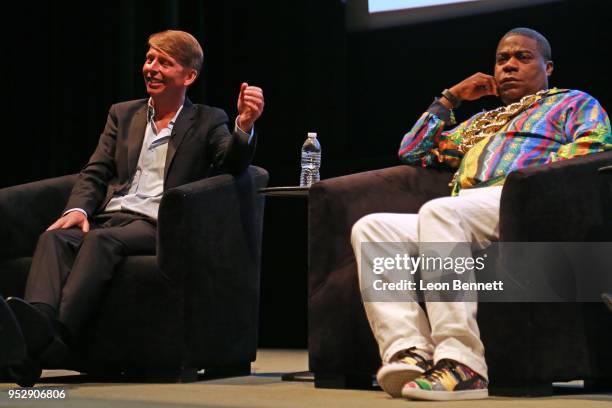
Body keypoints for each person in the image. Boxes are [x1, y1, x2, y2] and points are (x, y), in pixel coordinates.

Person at [351, 27, 611, 401]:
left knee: (440, 212)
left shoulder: (572, 103)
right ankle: (409, 351)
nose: (509, 66)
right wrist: (451, 97)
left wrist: (526, 182)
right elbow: (412, 150)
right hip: (468, 211)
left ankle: (464, 364)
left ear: (548, 67)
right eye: (502, 59)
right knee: (373, 228)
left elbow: (596, 147)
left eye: (523, 57)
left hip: (530, 203)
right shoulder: (480, 124)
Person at [0, 29, 264, 386]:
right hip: (113, 217)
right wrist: (76, 209)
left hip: (158, 222)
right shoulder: (123, 115)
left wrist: (244, 126)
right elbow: (95, 172)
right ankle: (38, 327)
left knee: (99, 243)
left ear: (189, 76)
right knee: (54, 238)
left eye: (164, 62)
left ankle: (54, 337)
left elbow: (232, 162)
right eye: (149, 58)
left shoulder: (206, 120)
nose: (151, 68)